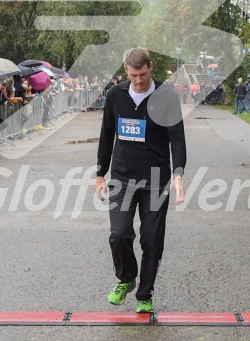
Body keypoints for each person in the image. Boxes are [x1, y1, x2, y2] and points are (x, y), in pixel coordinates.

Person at [95, 47, 186, 314]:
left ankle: (145, 294)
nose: (138, 80)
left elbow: (177, 138)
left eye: (143, 74)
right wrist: (100, 174)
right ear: (126, 70)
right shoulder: (115, 95)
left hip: (156, 179)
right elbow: (106, 136)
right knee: (119, 234)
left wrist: (179, 173)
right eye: (133, 75)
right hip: (122, 177)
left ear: (151, 67)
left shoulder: (167, 96)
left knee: (152, 240)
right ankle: (126, 278)